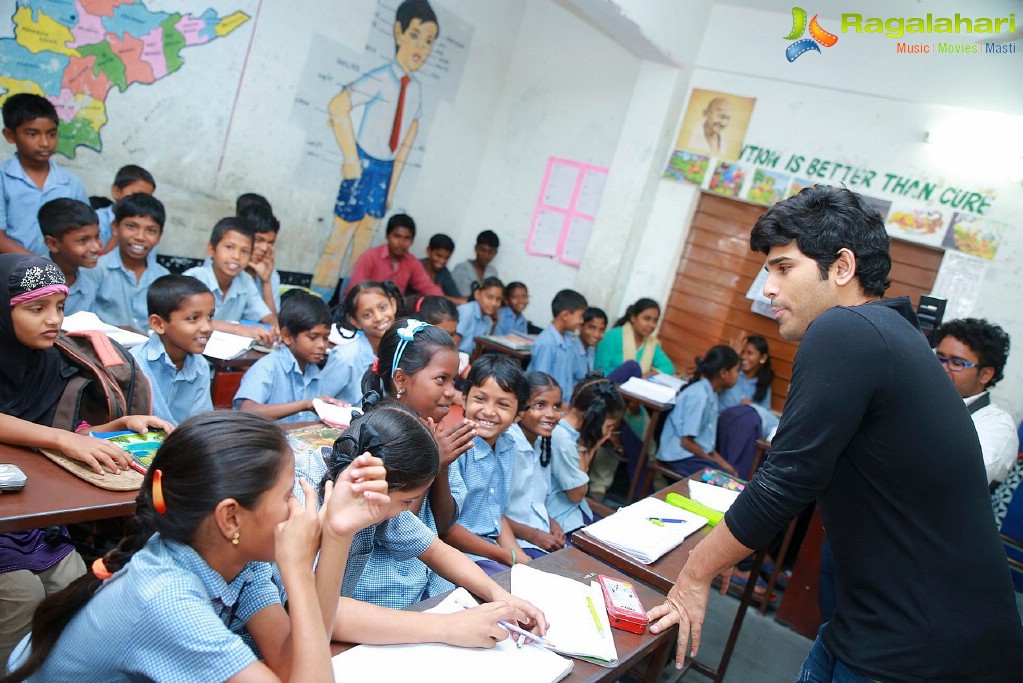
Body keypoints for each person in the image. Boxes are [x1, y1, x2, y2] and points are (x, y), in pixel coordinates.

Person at [647, 185, 1023, 680]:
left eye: (783, 268)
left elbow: (785, 481)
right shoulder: (890, 331)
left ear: (842, 268)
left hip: (918, 648)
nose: (768, 289)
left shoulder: (845, 330)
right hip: (877, 625)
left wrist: (695, 573)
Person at [4, 411, 390, 682]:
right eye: (288, 494)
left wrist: (338, 536)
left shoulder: (234, 556)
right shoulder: (166, 600)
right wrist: (298, 568)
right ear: (231, 518)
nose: (297, 507)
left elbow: (293, 666)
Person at [0, 254, 171, 669]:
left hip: (31, 513)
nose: (53, 319)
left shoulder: (48, 361)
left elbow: (45, 438)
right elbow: (46, 436)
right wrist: (64, 439)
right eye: (36, 308)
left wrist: (116, 425)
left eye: (59, 306)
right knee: (22, 595)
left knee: (74, 579)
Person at [301, 400, 547, 645]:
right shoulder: (305, 499)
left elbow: (434, 549)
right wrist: (449, 627)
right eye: (407, 501)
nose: (406, 510)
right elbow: (317, 613)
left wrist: (500, 596)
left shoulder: (375, 491)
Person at [313, 0, 440, 296]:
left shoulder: (416, 90)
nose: (421, 46)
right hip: (364, 164)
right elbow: (338, 106)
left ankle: (347, 307)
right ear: (398, 32)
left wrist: (390, 191)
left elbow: (406, 144)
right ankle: (317, 304)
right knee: (338, 242)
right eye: (415, 35)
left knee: (362, 249)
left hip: (383, 173)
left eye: (429, 40)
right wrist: (350, 159)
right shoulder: (382, 78)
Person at [356, 318, 475, 600]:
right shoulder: (376, 435)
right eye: (440, 380)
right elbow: (398, 527)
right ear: (401, 379)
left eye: (454, 381)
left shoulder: (436, 433)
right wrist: (432, 464)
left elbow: (444, 523)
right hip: (383, 583)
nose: (451, 391)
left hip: (426, 572)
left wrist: (442, 466)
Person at [441, 355, 532, 574]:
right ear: (464, 400)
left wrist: (518, 555)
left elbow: (495, 512)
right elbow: (446, 529)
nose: (489, 411)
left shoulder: (508, 446)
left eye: (502, 404)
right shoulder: (455, 448)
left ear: (518, 415)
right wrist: (505, 555)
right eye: (480, 399)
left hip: (492, 548)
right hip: (459, 553)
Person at [234, 292, 350, 424]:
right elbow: (247, 412)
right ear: (287, 336)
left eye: (325, 337)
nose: (321, 345)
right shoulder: (268, 367)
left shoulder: (314, 372)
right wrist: (305, 404)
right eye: (313, 337)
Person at [0, 94, 88, 257]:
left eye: (51, 134)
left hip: (62, 273)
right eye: (33, 134)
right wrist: (41, 268)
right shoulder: (3, 179)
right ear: (10, 135)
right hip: (12, 273)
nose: (45, 143)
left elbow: (85, 232)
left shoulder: (70, 183)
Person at [934, 318, 1018, 486]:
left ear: (986, 374)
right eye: (940, 358)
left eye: (956, 363)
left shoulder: (997, 425)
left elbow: (954, 479)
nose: (942, 368)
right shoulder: (921, 397)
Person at [130, 274, 215, 427]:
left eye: (210, 317)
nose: (207, 327)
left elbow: (201, 424)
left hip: (182, 444)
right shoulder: (134, 365)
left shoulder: (200, 365)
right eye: (193, 318)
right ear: (158, 324)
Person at [547, 376, 623, 534]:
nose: (609, 433)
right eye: (608, 426)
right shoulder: (563, 440)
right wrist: (592, 446)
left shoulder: (570, 432)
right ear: (593, 417)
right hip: (560, 518)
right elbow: (577, 493)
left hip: (575, 510)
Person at [183, 217, 277, 345]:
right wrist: (238, 329)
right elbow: (191, 320)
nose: (236, 256)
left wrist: (275, 327)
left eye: (244, 251)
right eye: (229, 247)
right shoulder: (193, 278)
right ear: (211, 250)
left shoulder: (245, 281)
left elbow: (266, 316)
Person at [84, 194, 170, 331]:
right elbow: (82, 321)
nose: (140, 237)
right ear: (115, 228)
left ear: (160, 236)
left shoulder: (164, 278)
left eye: (151, 231)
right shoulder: (96, 269)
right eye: (131, 226)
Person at [655, 345, 740, 478]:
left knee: (731, 475)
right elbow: (686, 442)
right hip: (679, 456)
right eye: (736, 370)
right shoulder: (699, 395)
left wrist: (724, 465)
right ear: (724, 373)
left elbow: (706, 445)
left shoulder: (712, 394)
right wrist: (712, 462)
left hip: (691, 454)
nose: (738, 376)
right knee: (723, 481)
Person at [506, 372, 565, 556]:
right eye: (540, 405)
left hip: (537, 535)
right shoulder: (508, 446)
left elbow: (533, 501)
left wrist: (551, 523)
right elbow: (492, 512)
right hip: (512, 541)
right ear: (520, 408)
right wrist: (533, 535)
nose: (551, 414)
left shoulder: (540, 444)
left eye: (556, 406)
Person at [331, 280, 401, 405]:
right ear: (355, 321)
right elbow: (320, 401)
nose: (379, 317)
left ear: (393, 304)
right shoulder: (345, 358)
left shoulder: (403, 350)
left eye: (383, 307)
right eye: (367, 314)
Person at [343, 213, 442, 297]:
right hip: (362, 308)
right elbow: (355, 291)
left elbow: (428, 287)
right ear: (387, 235)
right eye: (397, 236)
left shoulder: (412, 262)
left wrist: (443, 302)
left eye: (406, 238)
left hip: (390, 313)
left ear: (412, 241)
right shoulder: (370, 256)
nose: (401, 243)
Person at [37, 198, 100, 316]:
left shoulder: (88, 283)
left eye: (97, 237)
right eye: (82, 240)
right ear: (53, 244)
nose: (95, 247)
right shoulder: (31, 282)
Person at [526, 288, 588, 402]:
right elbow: (541, 384)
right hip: (546, 403)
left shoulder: (569, 339)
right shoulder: (547, 342)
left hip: (563, 402)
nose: (581, 321)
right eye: (580, 316)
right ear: (565, 315)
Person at [95, 165, 156, 255]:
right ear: (116, 192)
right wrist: (117, 237)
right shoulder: (96, 220)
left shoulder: (149, 225)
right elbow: (93, 265)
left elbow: (147, 264)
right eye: (135, 195)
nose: (141, 202)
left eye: (147, 198)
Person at [237, 199, 282, 317]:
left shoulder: (271, 274)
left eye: (270, 243)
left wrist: (266, 282)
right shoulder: (228, 268)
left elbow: (273, 324)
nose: (264, 248)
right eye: (258, 240)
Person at [454, 277, 502, 355]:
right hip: (455, 356)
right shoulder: (467, 311)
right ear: (477, 294)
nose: (494, 303)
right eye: (489, 297)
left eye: (498, 299)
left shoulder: (488, 321)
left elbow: (480, 349)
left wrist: (493, 326)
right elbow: (453, 343)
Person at [414, 233, 463, 301]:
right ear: (428, 250)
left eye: (446, 258)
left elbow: (456, 296)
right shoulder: (415, 266)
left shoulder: (444, 272)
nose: (442, 261)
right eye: (438, 256)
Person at [451, 230, 500, 298]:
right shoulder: (462, 268)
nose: (485, 255)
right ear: (476, 248)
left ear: (495, 253)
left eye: (490, 252)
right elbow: (465, 296)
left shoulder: (492, 272)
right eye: (482, 250)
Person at [579, 306, 607, 371]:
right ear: (580, 325)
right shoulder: (570, 351)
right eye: (592, 328)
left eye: (601, 330)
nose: (596, 335)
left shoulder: (591, 350)